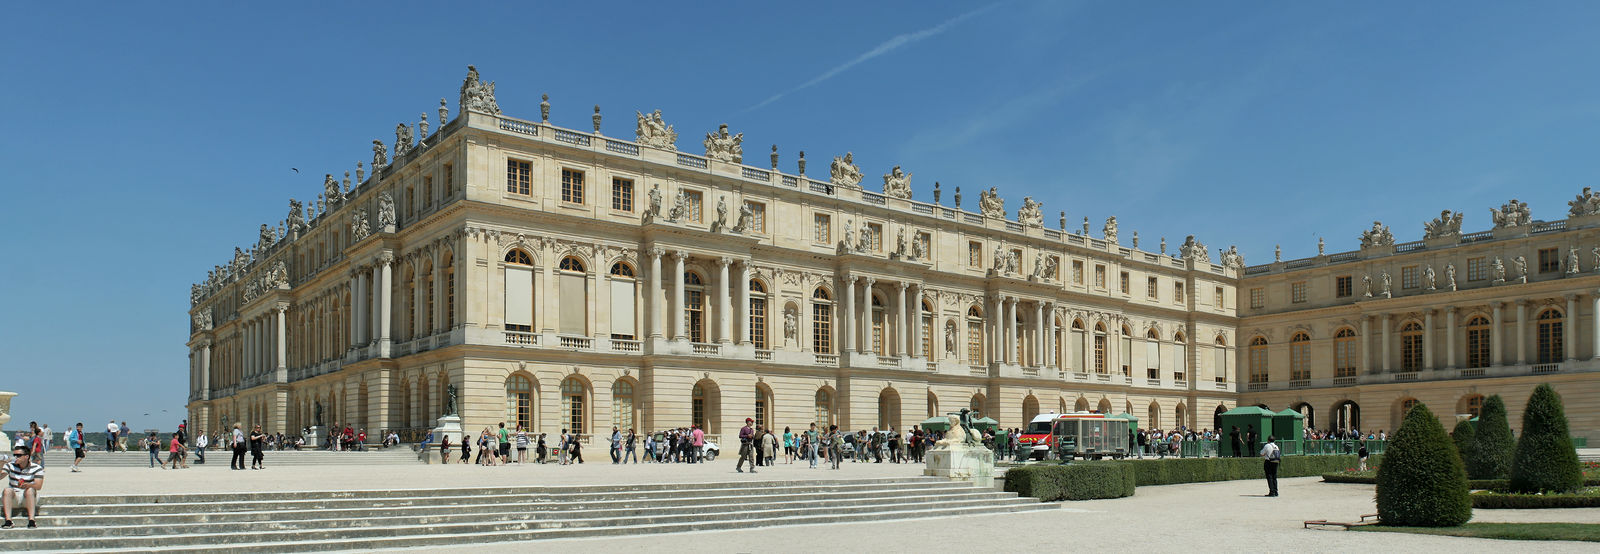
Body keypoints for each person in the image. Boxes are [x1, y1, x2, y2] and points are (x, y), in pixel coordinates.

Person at [3, 444, 44, 529]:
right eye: (15, 455)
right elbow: (2, 475)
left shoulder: (37, 468)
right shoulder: (10, 465)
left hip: (28, 497)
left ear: (26, 456)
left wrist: (28, 485)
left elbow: (38, 486)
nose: (16, 457)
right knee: (7, 490)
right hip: (14, 496)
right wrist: (2, 463)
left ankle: (32, 520)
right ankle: (8, 521)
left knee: (30, 490)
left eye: (18, 455)